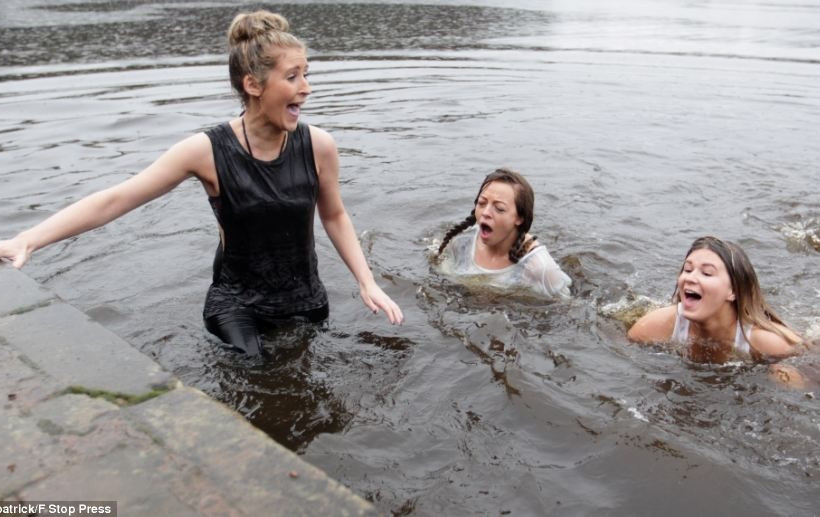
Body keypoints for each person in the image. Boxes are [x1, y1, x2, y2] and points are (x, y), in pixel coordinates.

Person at [0, 10, 403, 356]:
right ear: (253, 85)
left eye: (307, 74)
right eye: (293, 76)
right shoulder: (206, 150)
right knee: (254, 372)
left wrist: (367, 282)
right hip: (237, 304)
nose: (307, 87)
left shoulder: (318, 145)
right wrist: (28, 240)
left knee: (306, 384)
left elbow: (333, 215)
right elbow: (117, 199)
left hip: (304, 298)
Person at [627, 236, 802, 364]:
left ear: (733, 291)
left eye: (707, 273)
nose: (690, 278)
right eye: (687, 270)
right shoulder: (656, 325)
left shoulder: (769, 343)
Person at [436, 168, 572, 299]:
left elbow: (566, 307)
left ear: (519, 218)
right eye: (482, 203)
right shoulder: (461, 243)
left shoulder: (540, 268)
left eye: (499, 209)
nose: (485, 213)